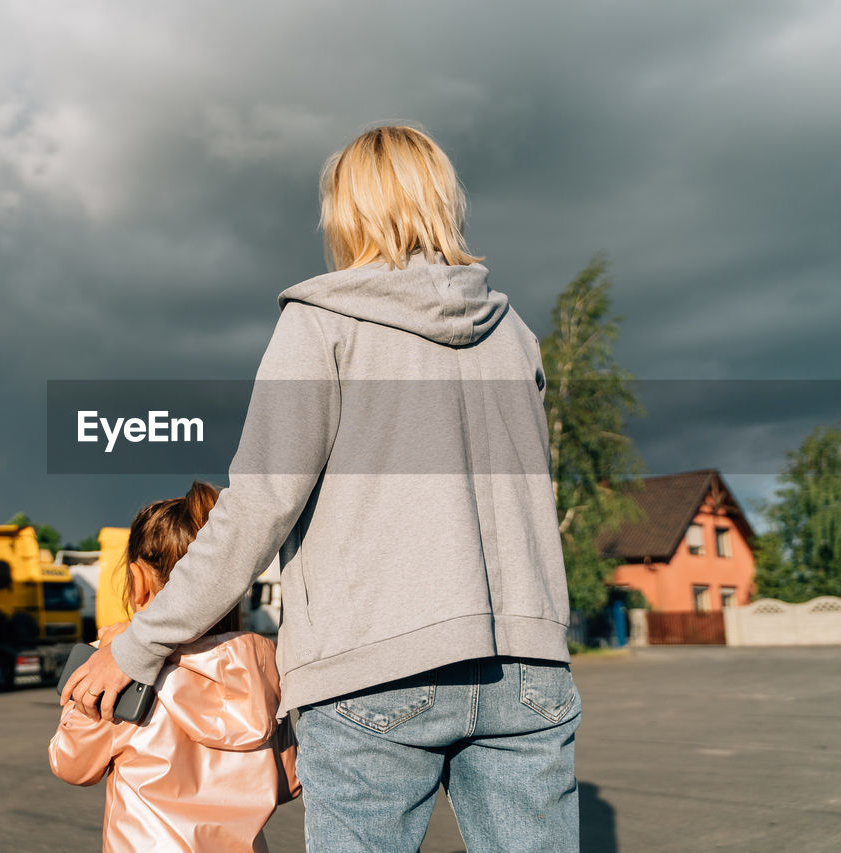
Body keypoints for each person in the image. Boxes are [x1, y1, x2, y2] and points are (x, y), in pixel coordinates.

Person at [61, 124, 581, 852]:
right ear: (443, 199)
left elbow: (259, 504)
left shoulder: (322, 325)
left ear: (348, 212)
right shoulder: (515, 336)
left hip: (374, 671)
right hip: (529, 671)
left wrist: (139, 642)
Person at [49, 481, 299, 852]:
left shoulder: (118, 668)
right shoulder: (262, 663)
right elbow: (288, 782)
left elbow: (71, 765)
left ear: (137, 583)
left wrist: (83, 702)